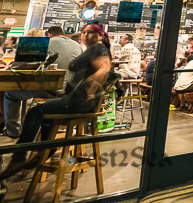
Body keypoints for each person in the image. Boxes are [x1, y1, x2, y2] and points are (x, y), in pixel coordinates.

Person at [0, 21, 114, 179]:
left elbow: (105, 70)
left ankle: (19, 150)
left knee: (32, 110)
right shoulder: (83, 47)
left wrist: (89, 90)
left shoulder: (96, 49)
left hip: (75, 101)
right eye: (84, 33)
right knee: (46, 112)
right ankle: (46, 148)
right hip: (70, 96)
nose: (84, 36)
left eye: (88, 33)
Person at [4, 26, 83, 138]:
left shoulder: (44, 42)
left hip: (49, 91)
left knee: (10, 94)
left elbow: (19, 66)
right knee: (25, 94)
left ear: (48, 35)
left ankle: (13, 132)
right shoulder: (77, 45)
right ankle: (23, 127)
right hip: (68, 92)